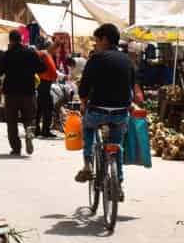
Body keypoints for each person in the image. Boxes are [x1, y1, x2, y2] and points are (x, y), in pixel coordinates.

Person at [74, 23, 136, 192]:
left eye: (97, 40)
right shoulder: (128, 60)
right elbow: (132, 87)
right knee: (117, 144)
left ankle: (87, 165)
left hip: (98, 111)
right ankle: (119, 183)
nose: (96, 44)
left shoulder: (96, 58)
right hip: (121, 112)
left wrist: (83, 102)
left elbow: (84, 87)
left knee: (88, 128)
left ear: (105, 39)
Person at [0, 31, 41, 156]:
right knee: (29, 118)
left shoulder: (7, 54)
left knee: (11, 122)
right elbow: (41, 68)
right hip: (28, 92)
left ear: (10, 40)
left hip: (11, 93)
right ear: (21, 39)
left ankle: (16, 148)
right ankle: (28, 132)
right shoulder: (30, 53)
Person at [34, 40, 59, 138]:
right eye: (54, 47)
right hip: (43, 83)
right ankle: (45, 130)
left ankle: (38, 129)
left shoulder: (48, 55)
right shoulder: (43, 53)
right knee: (48, 107)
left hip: (46, 83)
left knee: (40, 107)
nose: (55, 49)